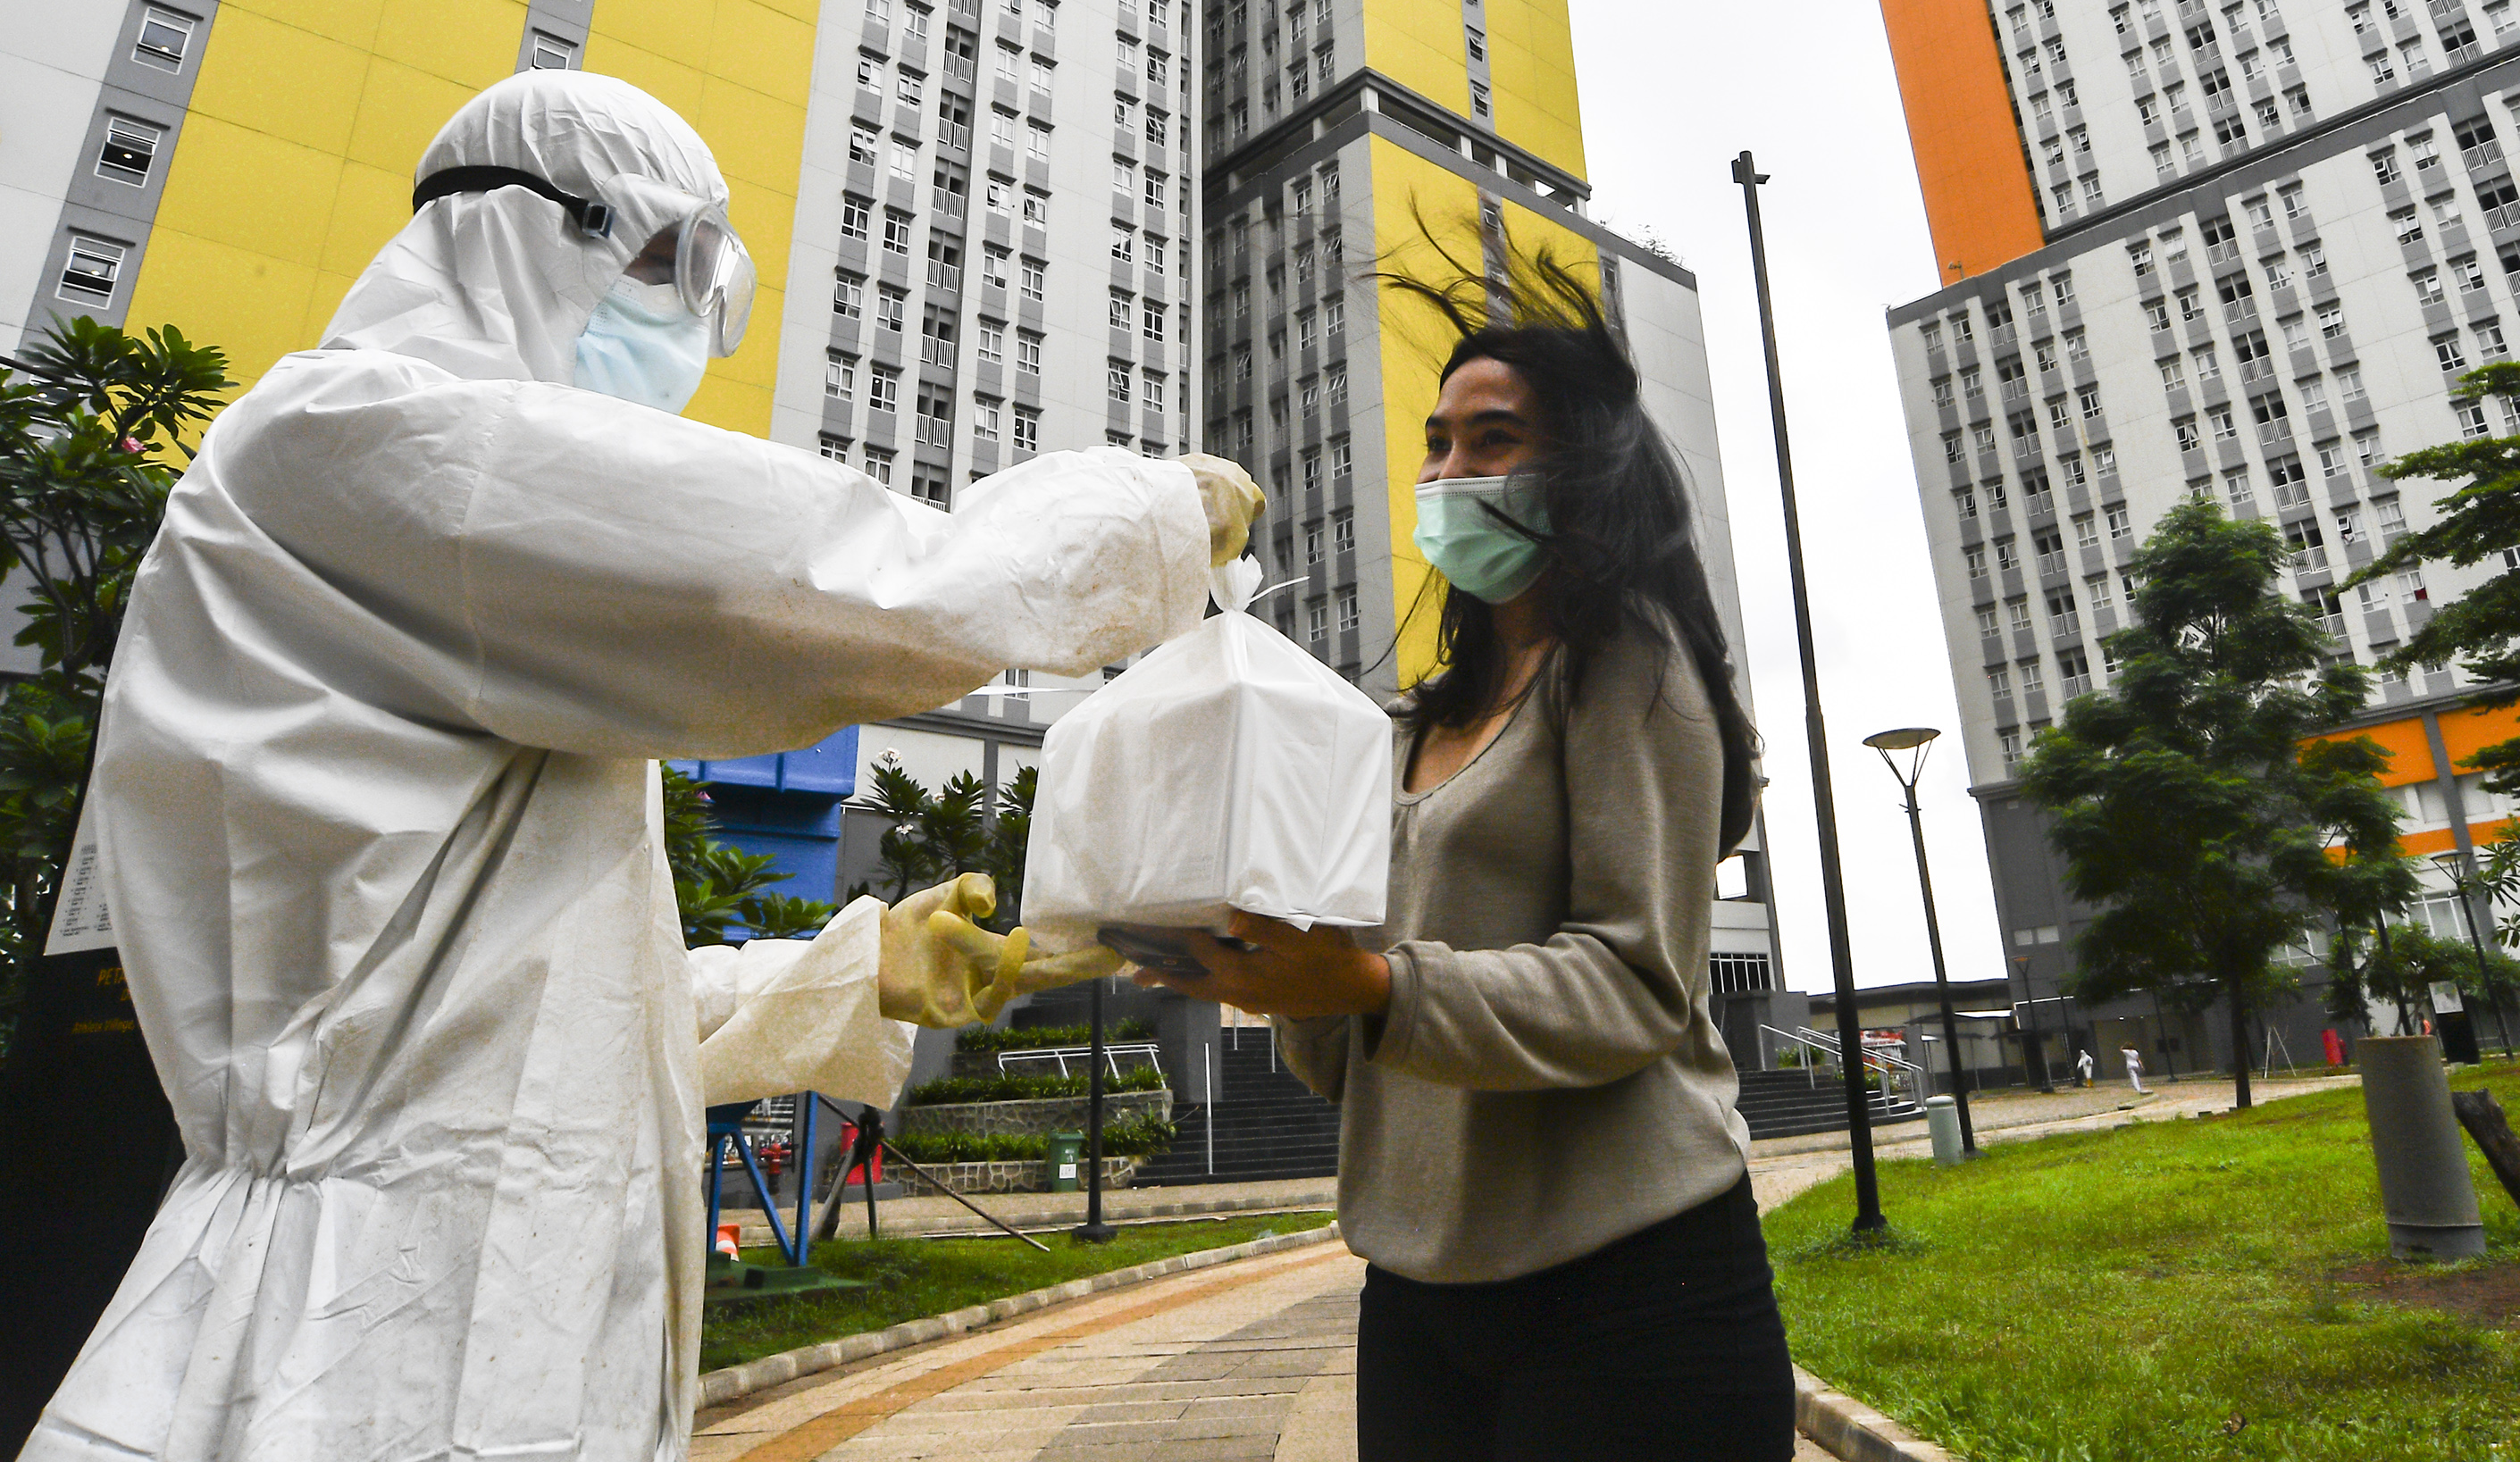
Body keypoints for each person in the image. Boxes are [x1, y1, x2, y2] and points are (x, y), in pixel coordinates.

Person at [24, 72, 1263, 1462]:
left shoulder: (448, 562)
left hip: (457, 1318)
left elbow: (508, 1021)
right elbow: (827, 592)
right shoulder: (365, 444)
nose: (689, 326)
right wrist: (1149, 514)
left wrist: (860, 972)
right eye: (678, 266)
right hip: (346, 1352)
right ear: (540, 228)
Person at [1132, 253, 1796, 1459]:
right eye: (1437, 442)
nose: (1446, 473)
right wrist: (1267, 966)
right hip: (1418, 1292)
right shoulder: (1404, 732)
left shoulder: (1628, 667)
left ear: (1584, 467)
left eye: (1491, 441)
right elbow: (1353, 1060)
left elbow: (1635, 985)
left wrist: (1372, 986)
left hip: (1633, 1290)